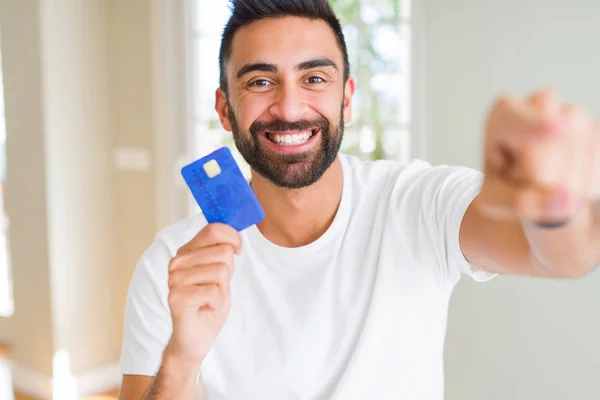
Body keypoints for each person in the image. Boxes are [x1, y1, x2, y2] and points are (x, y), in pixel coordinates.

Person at [118, 0, 600, 399]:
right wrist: (182, 359)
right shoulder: (173, 263)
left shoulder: (416, 204)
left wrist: (556, 210)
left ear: (347, 98)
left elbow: (555, 256)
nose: (289, 107)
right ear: (226, 108)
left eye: (314, 78)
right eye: (260, 81)